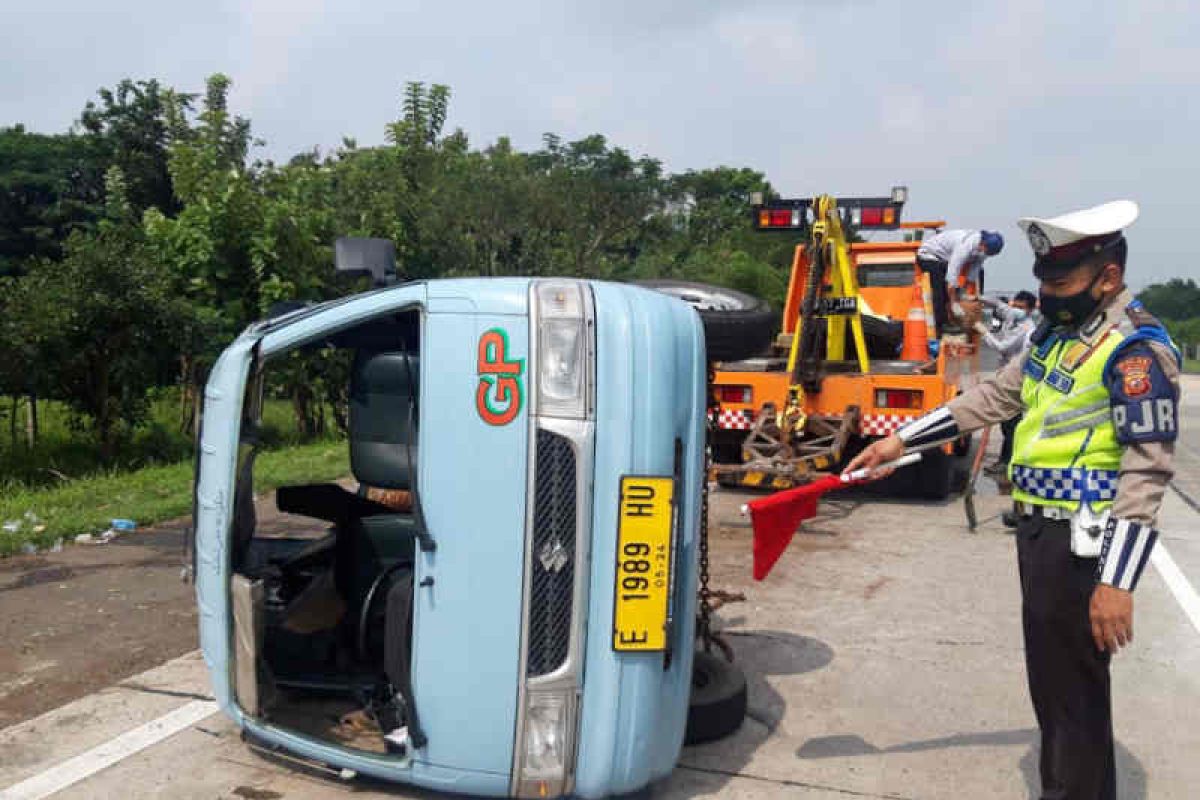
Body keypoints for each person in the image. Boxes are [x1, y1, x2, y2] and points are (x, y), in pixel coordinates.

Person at [846, 200, 1180, 800]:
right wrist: (898, 440)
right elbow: (996, 398)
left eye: (1062, 281)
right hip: (1040, 537)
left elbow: (1147, 470)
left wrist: (1117, 582)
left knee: (1074, 701)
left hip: (1083, 548)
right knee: (1054, 693)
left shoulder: (1135, 350)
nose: (1048, 294)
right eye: (1044, 281)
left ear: (1107, 277)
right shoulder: (1061, 335)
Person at [976, 290, 1038, 495]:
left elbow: (1002, 347)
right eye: (1015, 306)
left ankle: (1009, 462)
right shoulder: (1012, 318)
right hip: (1005, 375)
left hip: (1018, 379)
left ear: (1030, 310)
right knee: (1006, 423)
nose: (1016, 310)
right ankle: (1004, 460)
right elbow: (996, 303)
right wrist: (976, 297)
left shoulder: (1026, 327)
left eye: (1021, 308)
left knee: (1012, 423)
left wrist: (983, 331)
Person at [917, 228, 1005, 335]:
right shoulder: (966, 246)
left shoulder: (984, 250)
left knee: (953, 290)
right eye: (986, 251)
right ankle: (940, 325)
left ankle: (952, 320)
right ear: (983, 244)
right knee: (940, 289)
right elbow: (952, 276)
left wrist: (963, 293)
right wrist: (954, 303)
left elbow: (973, 272)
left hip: (943, 259)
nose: (986, 253)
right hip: (929, 255)